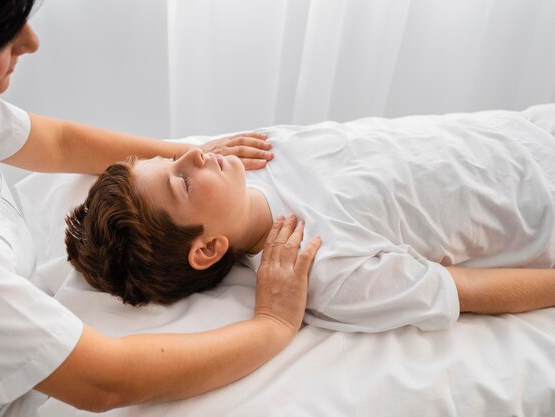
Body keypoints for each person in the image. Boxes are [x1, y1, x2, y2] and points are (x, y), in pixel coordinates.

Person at [0, 1, 322, 416]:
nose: (31, 41)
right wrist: (272, 327)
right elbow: (104, 383)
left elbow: (56, 141)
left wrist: (186, 154)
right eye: (1, 32)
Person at [66, 112, 555, 333]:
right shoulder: (320, 268)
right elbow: (462, 287)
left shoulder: (251, 152)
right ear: (208, 249)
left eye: (168, 159)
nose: (193, 153)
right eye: (181, 182)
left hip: (525, 132)